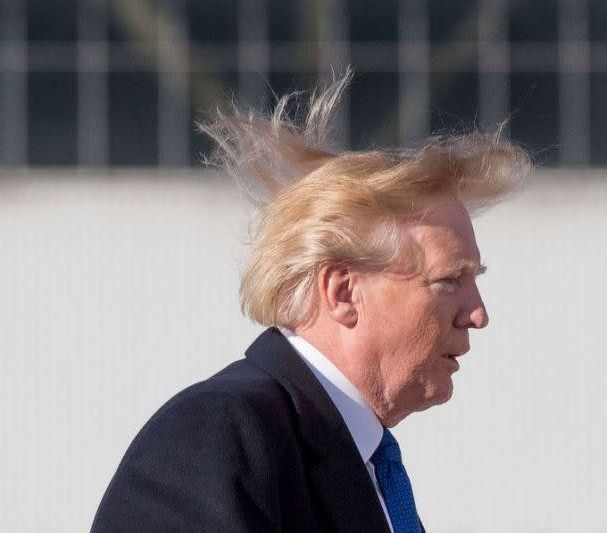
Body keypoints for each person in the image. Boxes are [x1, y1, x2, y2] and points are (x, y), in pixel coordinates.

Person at [91, 73, 530, 532]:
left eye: (473, 279)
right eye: (448, 280)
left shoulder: (361, 462)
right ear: (342, 293)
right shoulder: (214, 436)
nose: (478, 314)